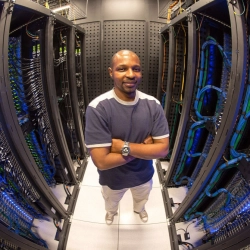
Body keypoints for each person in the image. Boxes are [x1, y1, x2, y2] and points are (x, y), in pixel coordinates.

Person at [85, 50, 169, 225]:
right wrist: (143, 149)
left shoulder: (153, 105)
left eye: (136, 69)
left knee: (141, 199)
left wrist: (122, 146)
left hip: (144, 175)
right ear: (111, 72)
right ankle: (111, 213)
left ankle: (140, 210)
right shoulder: (98, 108)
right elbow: (101, 161)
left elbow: (162, 150)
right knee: (111, 202)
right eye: (122, 69)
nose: (130, 75)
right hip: (112, 179)